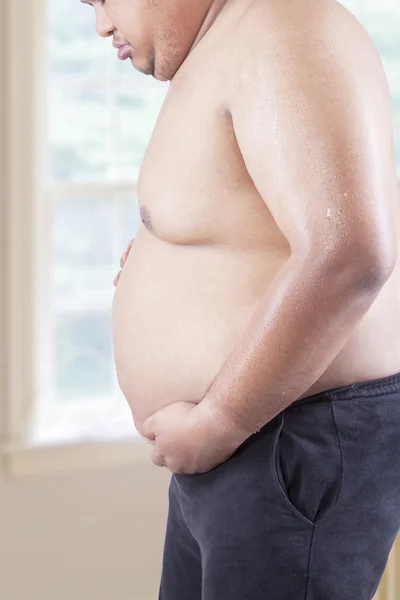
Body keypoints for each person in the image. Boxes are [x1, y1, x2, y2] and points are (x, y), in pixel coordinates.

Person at [83, 0, 400, 598]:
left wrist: (218, 419)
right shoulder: (229, 43)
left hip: (277, 435)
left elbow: (350, 253)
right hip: (246, 438)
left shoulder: (283, 25)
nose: (100, 24)